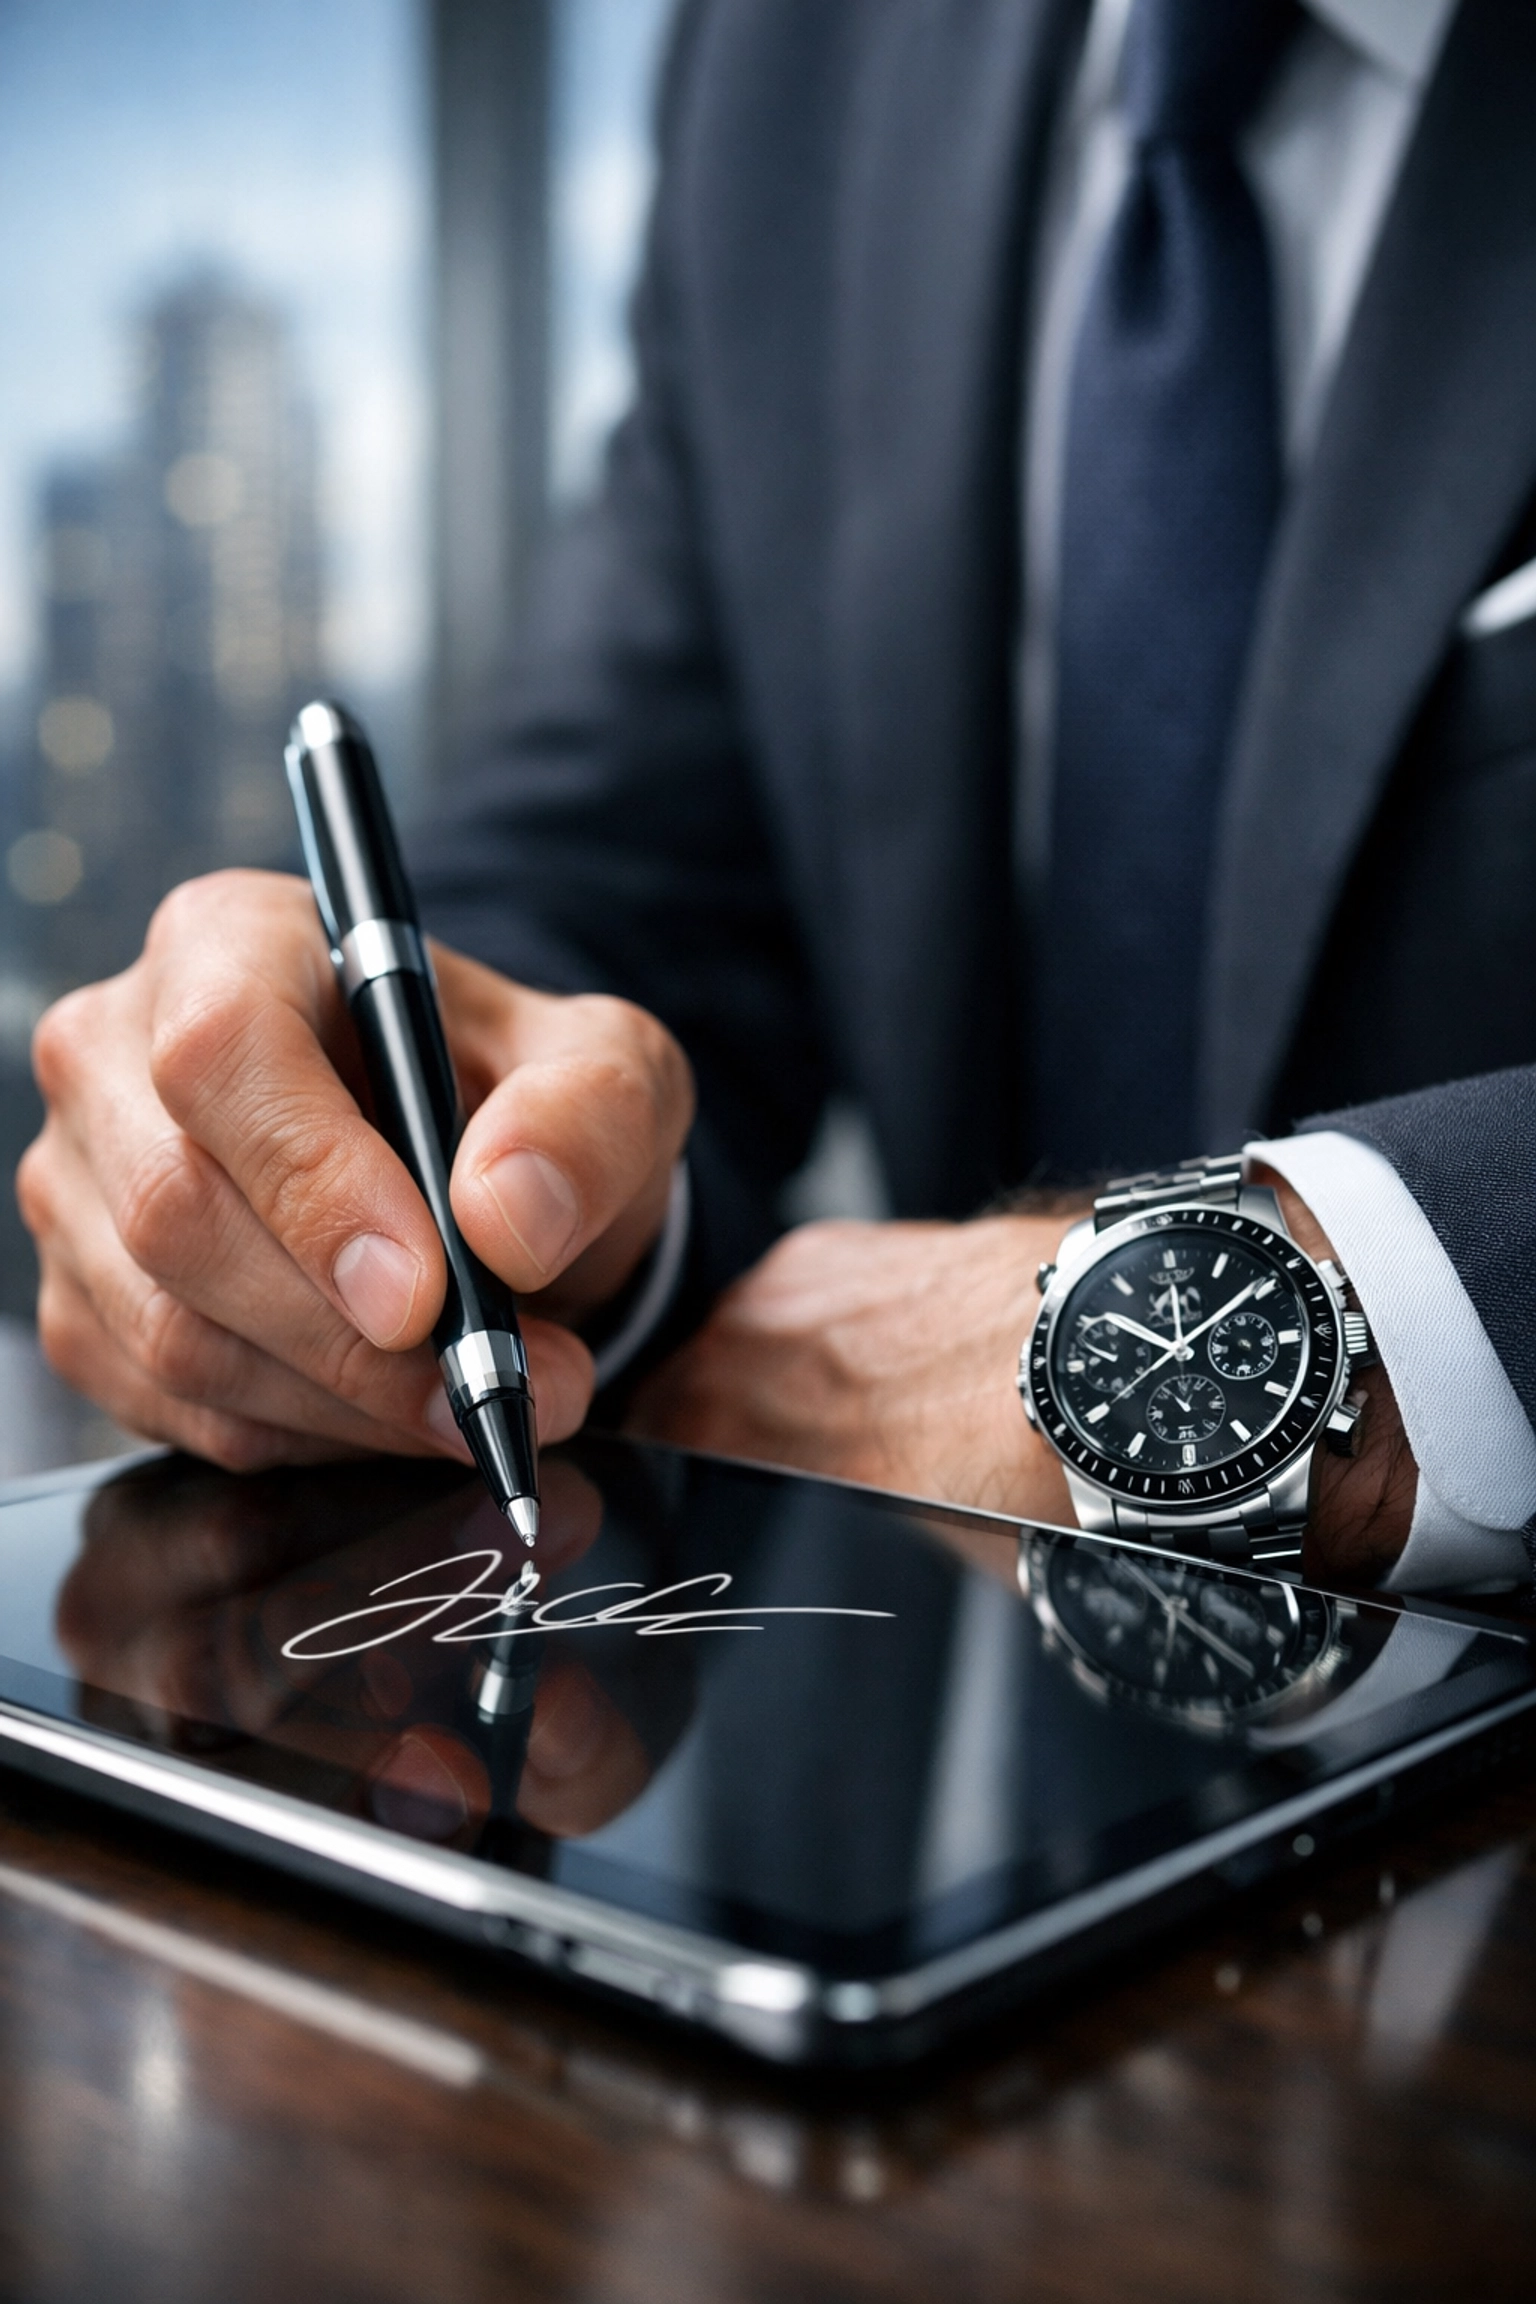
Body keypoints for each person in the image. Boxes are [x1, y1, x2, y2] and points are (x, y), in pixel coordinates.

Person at [18, 0, 1536, 1589]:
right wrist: (447, 1146)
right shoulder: (792, 57)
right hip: (931, 1662)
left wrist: (1352, 1309)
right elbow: (623, 874)